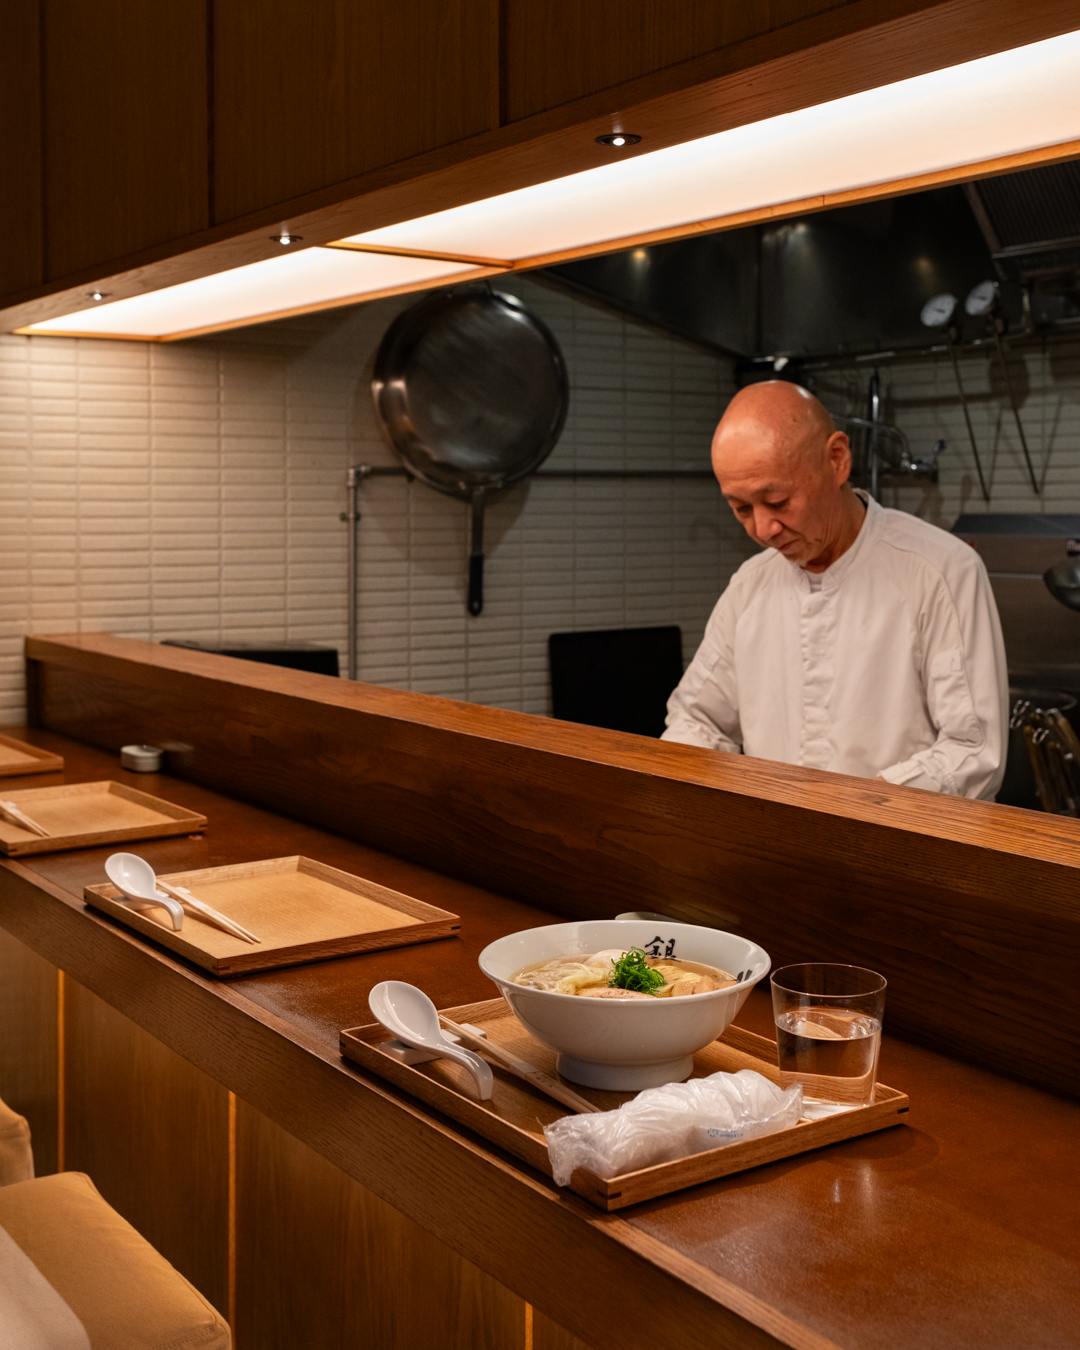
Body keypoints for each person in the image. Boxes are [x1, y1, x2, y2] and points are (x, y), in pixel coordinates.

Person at [662, 380, 1008, 799]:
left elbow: (973, 751)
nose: (763, 529)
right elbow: (696, 719)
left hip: (896, 851)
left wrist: (863, 808)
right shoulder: (750, 586)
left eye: (778, 501)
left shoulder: (940, 571)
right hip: (771, 847)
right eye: (741, 509)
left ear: (837, 460)